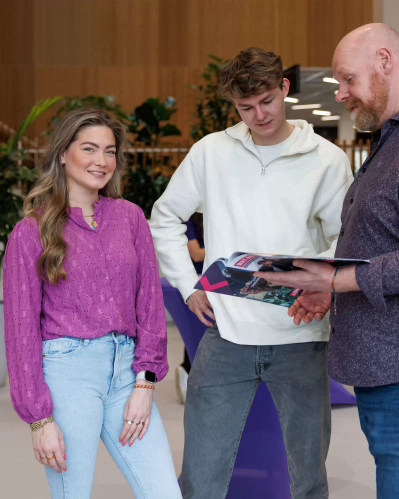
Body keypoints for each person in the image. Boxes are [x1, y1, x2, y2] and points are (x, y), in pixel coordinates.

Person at [150, 47, 353, 499]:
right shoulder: (211, 152)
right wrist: (188, 286)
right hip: (226, 336)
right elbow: (163, 218)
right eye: (245, 107)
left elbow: (345, 240)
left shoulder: (326, 159)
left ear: (284, 89)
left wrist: (319, 283)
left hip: (301, 334)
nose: (258, 115)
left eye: (266, 100)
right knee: (201, 476)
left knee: (308, 477)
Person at [3, 109, 182, 499]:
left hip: (127, 373)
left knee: (165, 492)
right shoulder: (30, 232)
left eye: (109, 151)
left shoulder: (130, 218)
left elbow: (149, 303)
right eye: (89, 149)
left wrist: (145, 383)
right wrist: (40, 419)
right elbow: (21, 332)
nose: (101, 161)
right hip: (68, 374)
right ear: (63, 154)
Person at [255, 24, 399, 499]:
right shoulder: (384, 144)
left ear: (385, 60)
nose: (340, 94)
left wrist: (338, 280)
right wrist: (326, 286)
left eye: (346, 80)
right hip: (380, 364)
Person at [175, 213, 205, 404]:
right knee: (195, 331)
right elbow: (195, 253)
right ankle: (187, 369)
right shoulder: (189, 220)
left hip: (218, 280)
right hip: (195, 284)